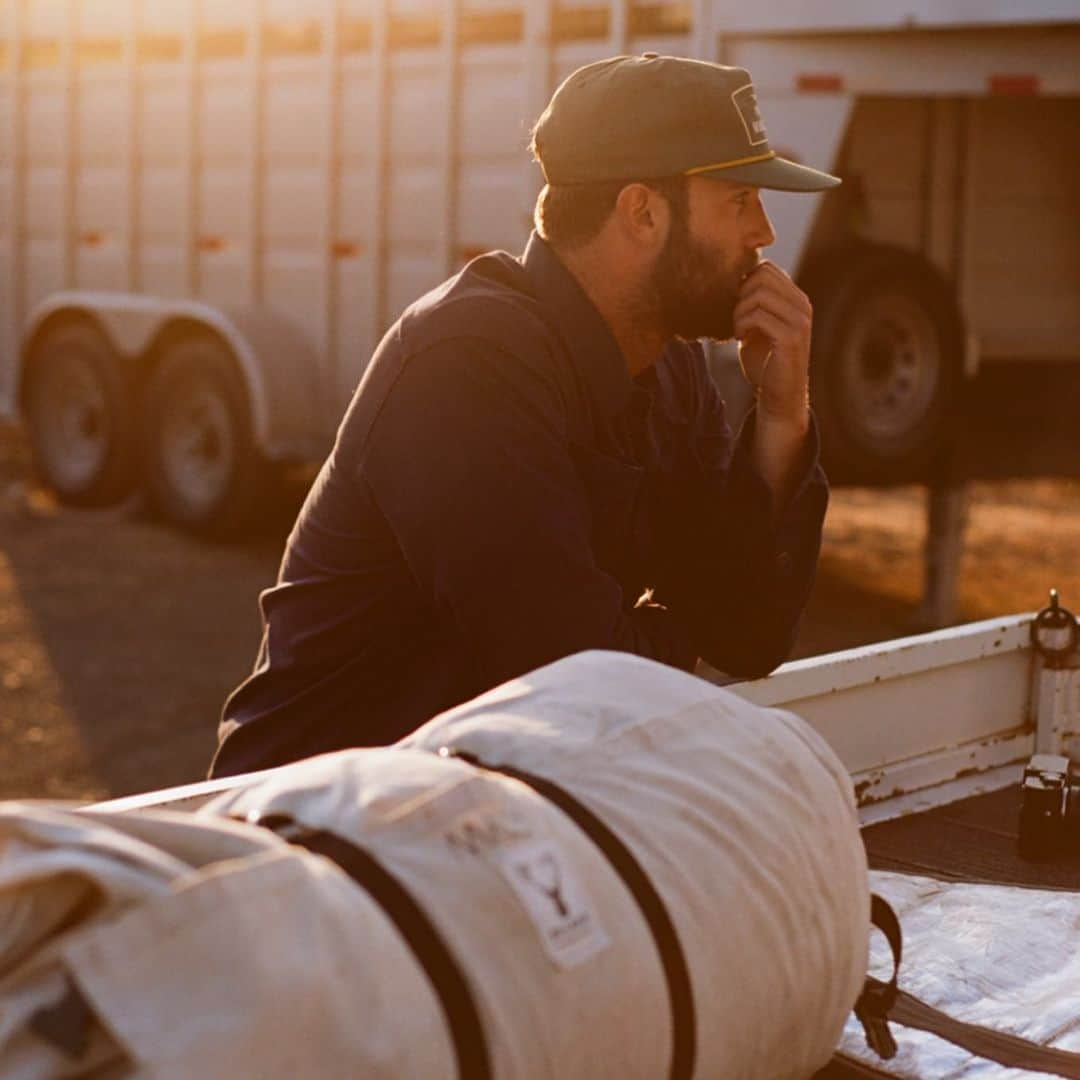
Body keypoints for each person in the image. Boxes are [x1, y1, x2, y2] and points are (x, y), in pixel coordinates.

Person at [209, 53, 839, 778]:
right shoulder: (466, 361)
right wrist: (675, 635)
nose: (762, 232)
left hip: (463, 820)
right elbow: (575, 679)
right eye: (738, 200)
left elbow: (746, 635)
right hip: (308, 835)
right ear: (642, 213)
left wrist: (784, 418)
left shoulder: (670, 366)